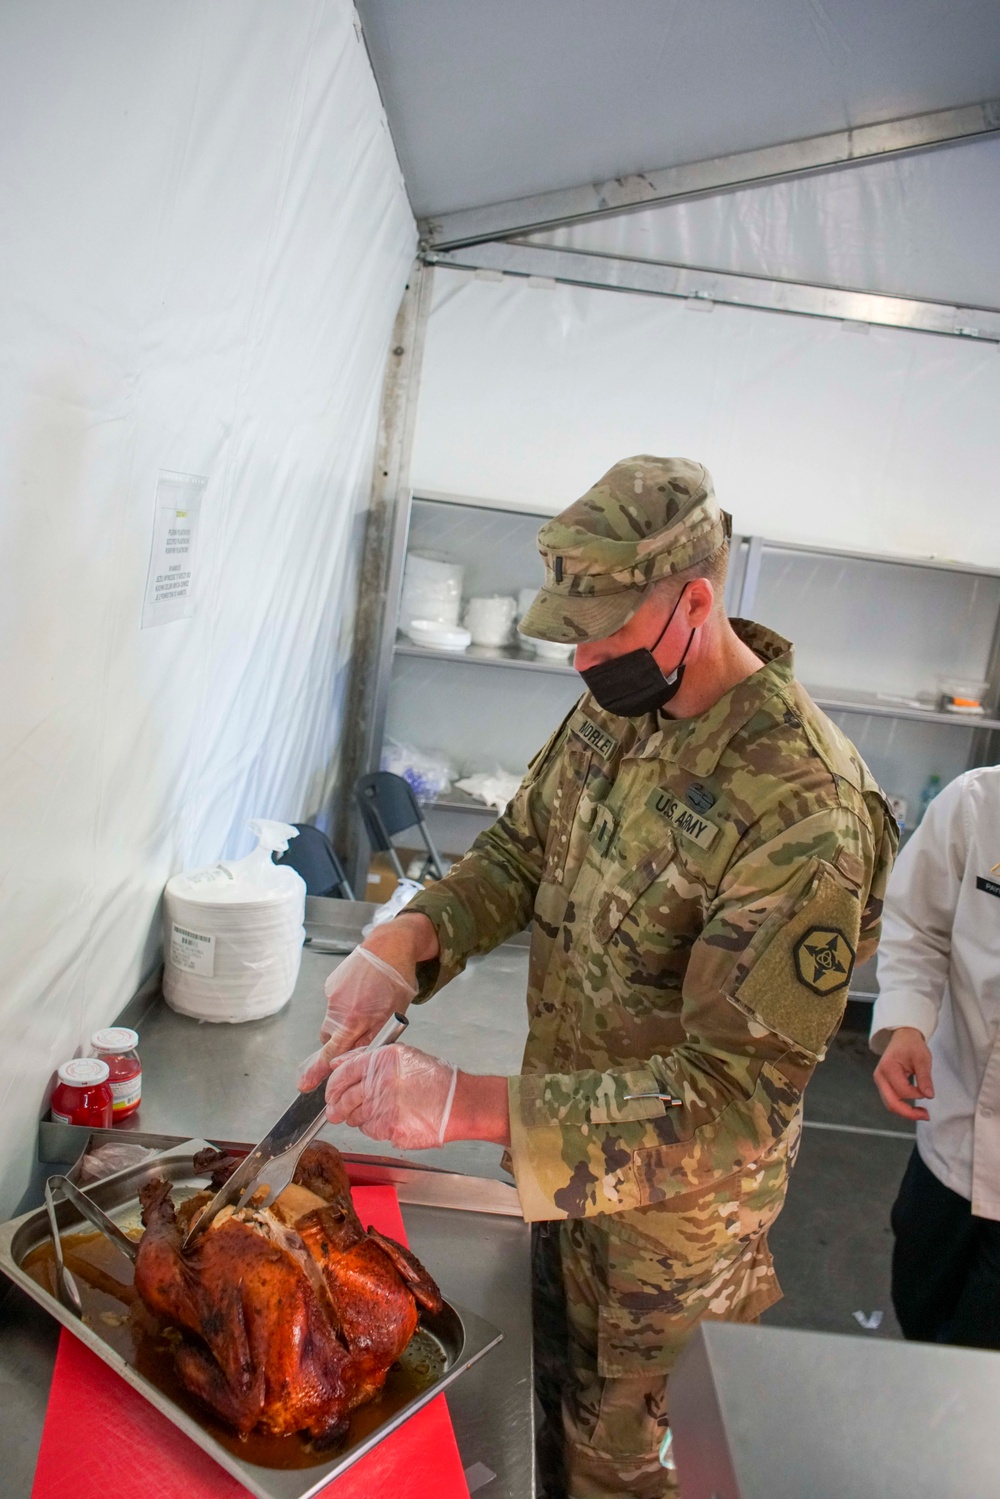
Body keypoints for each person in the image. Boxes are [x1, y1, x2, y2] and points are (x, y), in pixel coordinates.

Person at [299, 455, 897, 1499]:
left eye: (601, 634)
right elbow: (523, 848)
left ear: (695, 602)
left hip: (670, 1249)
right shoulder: (621, 704)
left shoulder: (804, 810)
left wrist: (462, 1102)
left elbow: (736, 1101)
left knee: (616, 1473)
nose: (579, 659)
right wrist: (405, 946)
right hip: (553, 1178)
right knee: (530, 1431)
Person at [871, 764, 1000, 1348]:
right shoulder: (979, 802)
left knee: (978, 1355)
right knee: (918, 1303)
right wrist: (905, 1023)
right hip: (949, 1129)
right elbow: (918, 924)